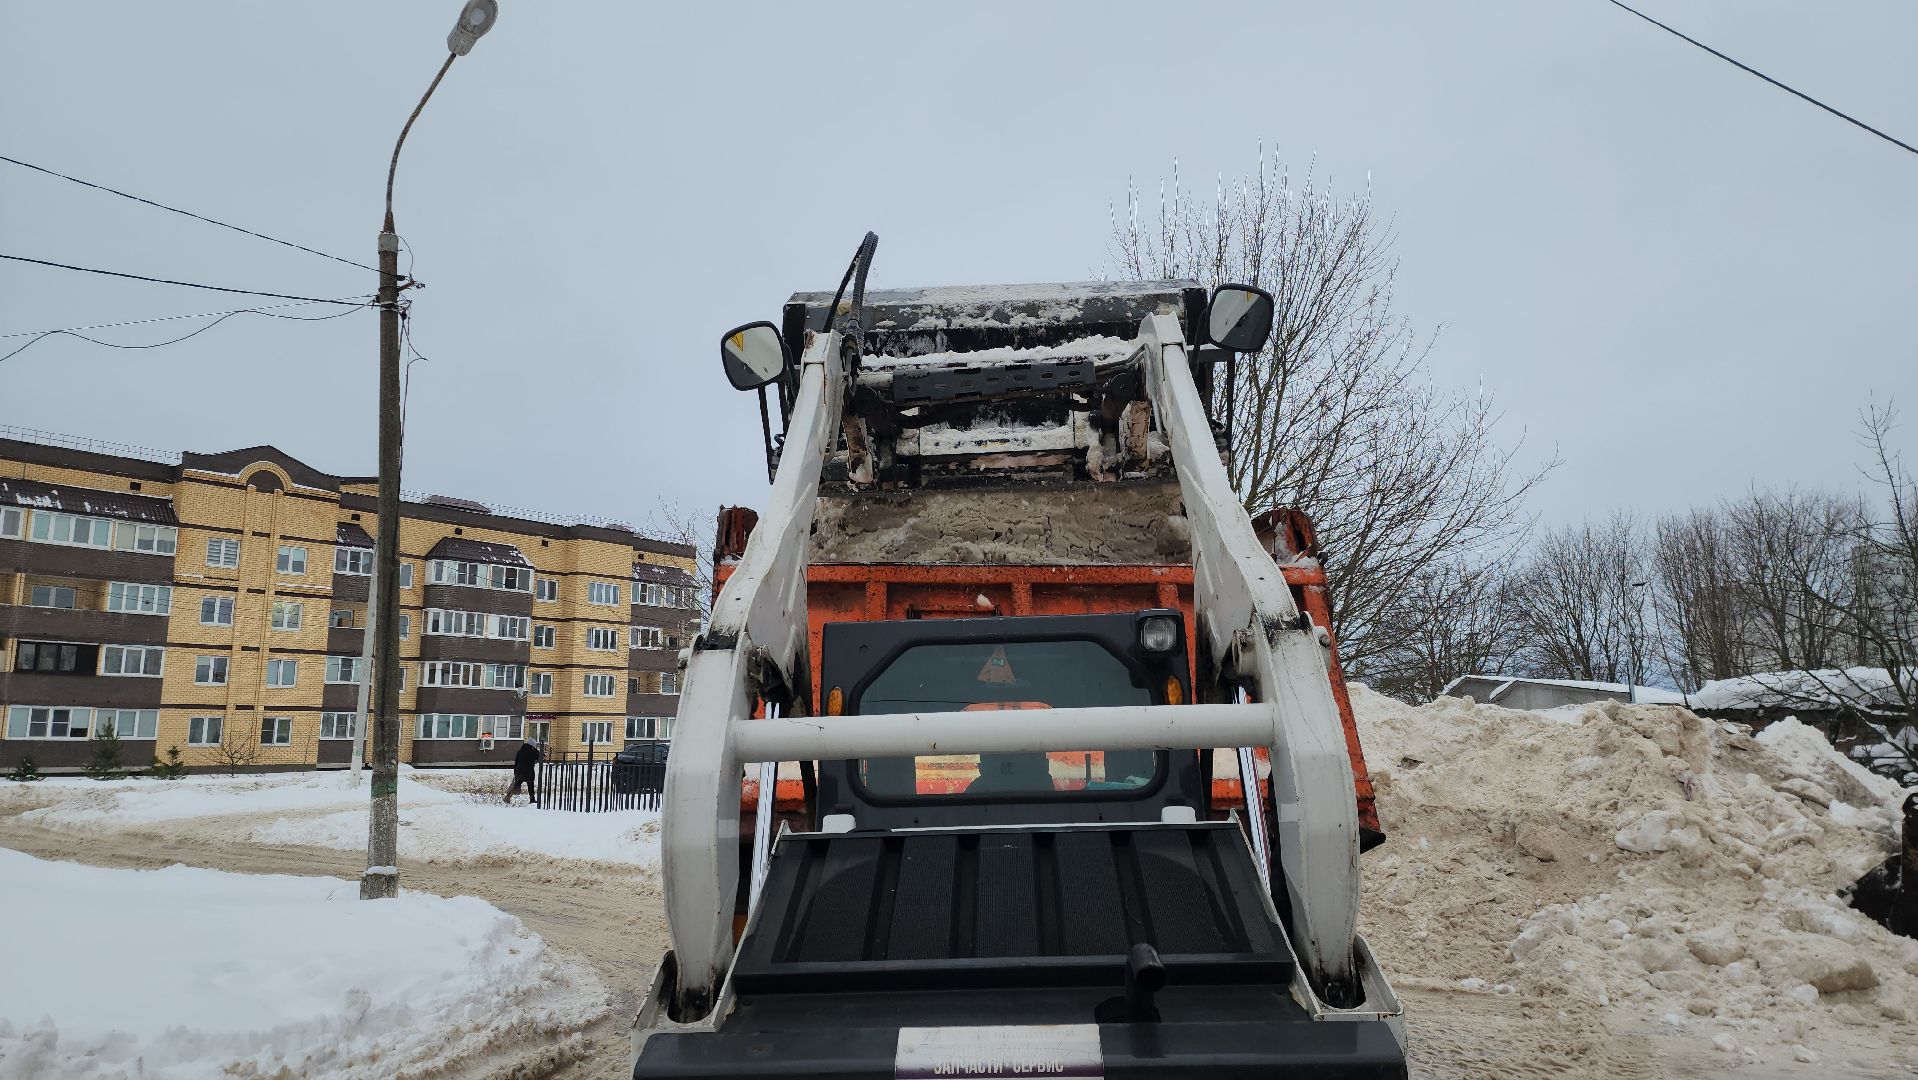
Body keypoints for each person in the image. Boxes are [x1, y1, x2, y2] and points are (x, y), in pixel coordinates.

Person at [506, 738, 542, 805]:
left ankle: (508, 797)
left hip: (519, 772)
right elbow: (538, 757)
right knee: (530, 785)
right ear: (532, 745)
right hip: (528, 772)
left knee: (515, 785)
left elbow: (516, 762)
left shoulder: (520, 751)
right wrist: (537, 750)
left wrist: (515, 772)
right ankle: (532, 799)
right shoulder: (532, 751)